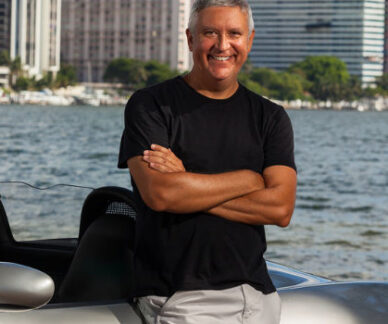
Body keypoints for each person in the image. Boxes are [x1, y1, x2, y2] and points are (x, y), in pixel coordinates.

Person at [118, 0, 297, 323]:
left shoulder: (271, 117)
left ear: (250, 40)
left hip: (260, 299)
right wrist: (249, 179)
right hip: (181, 300)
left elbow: (280, 208)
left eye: (234, 34)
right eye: (210, 33)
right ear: (190, 39)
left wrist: (187, 180)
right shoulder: (150, 107)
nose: (223, 45)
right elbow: (161, 195)